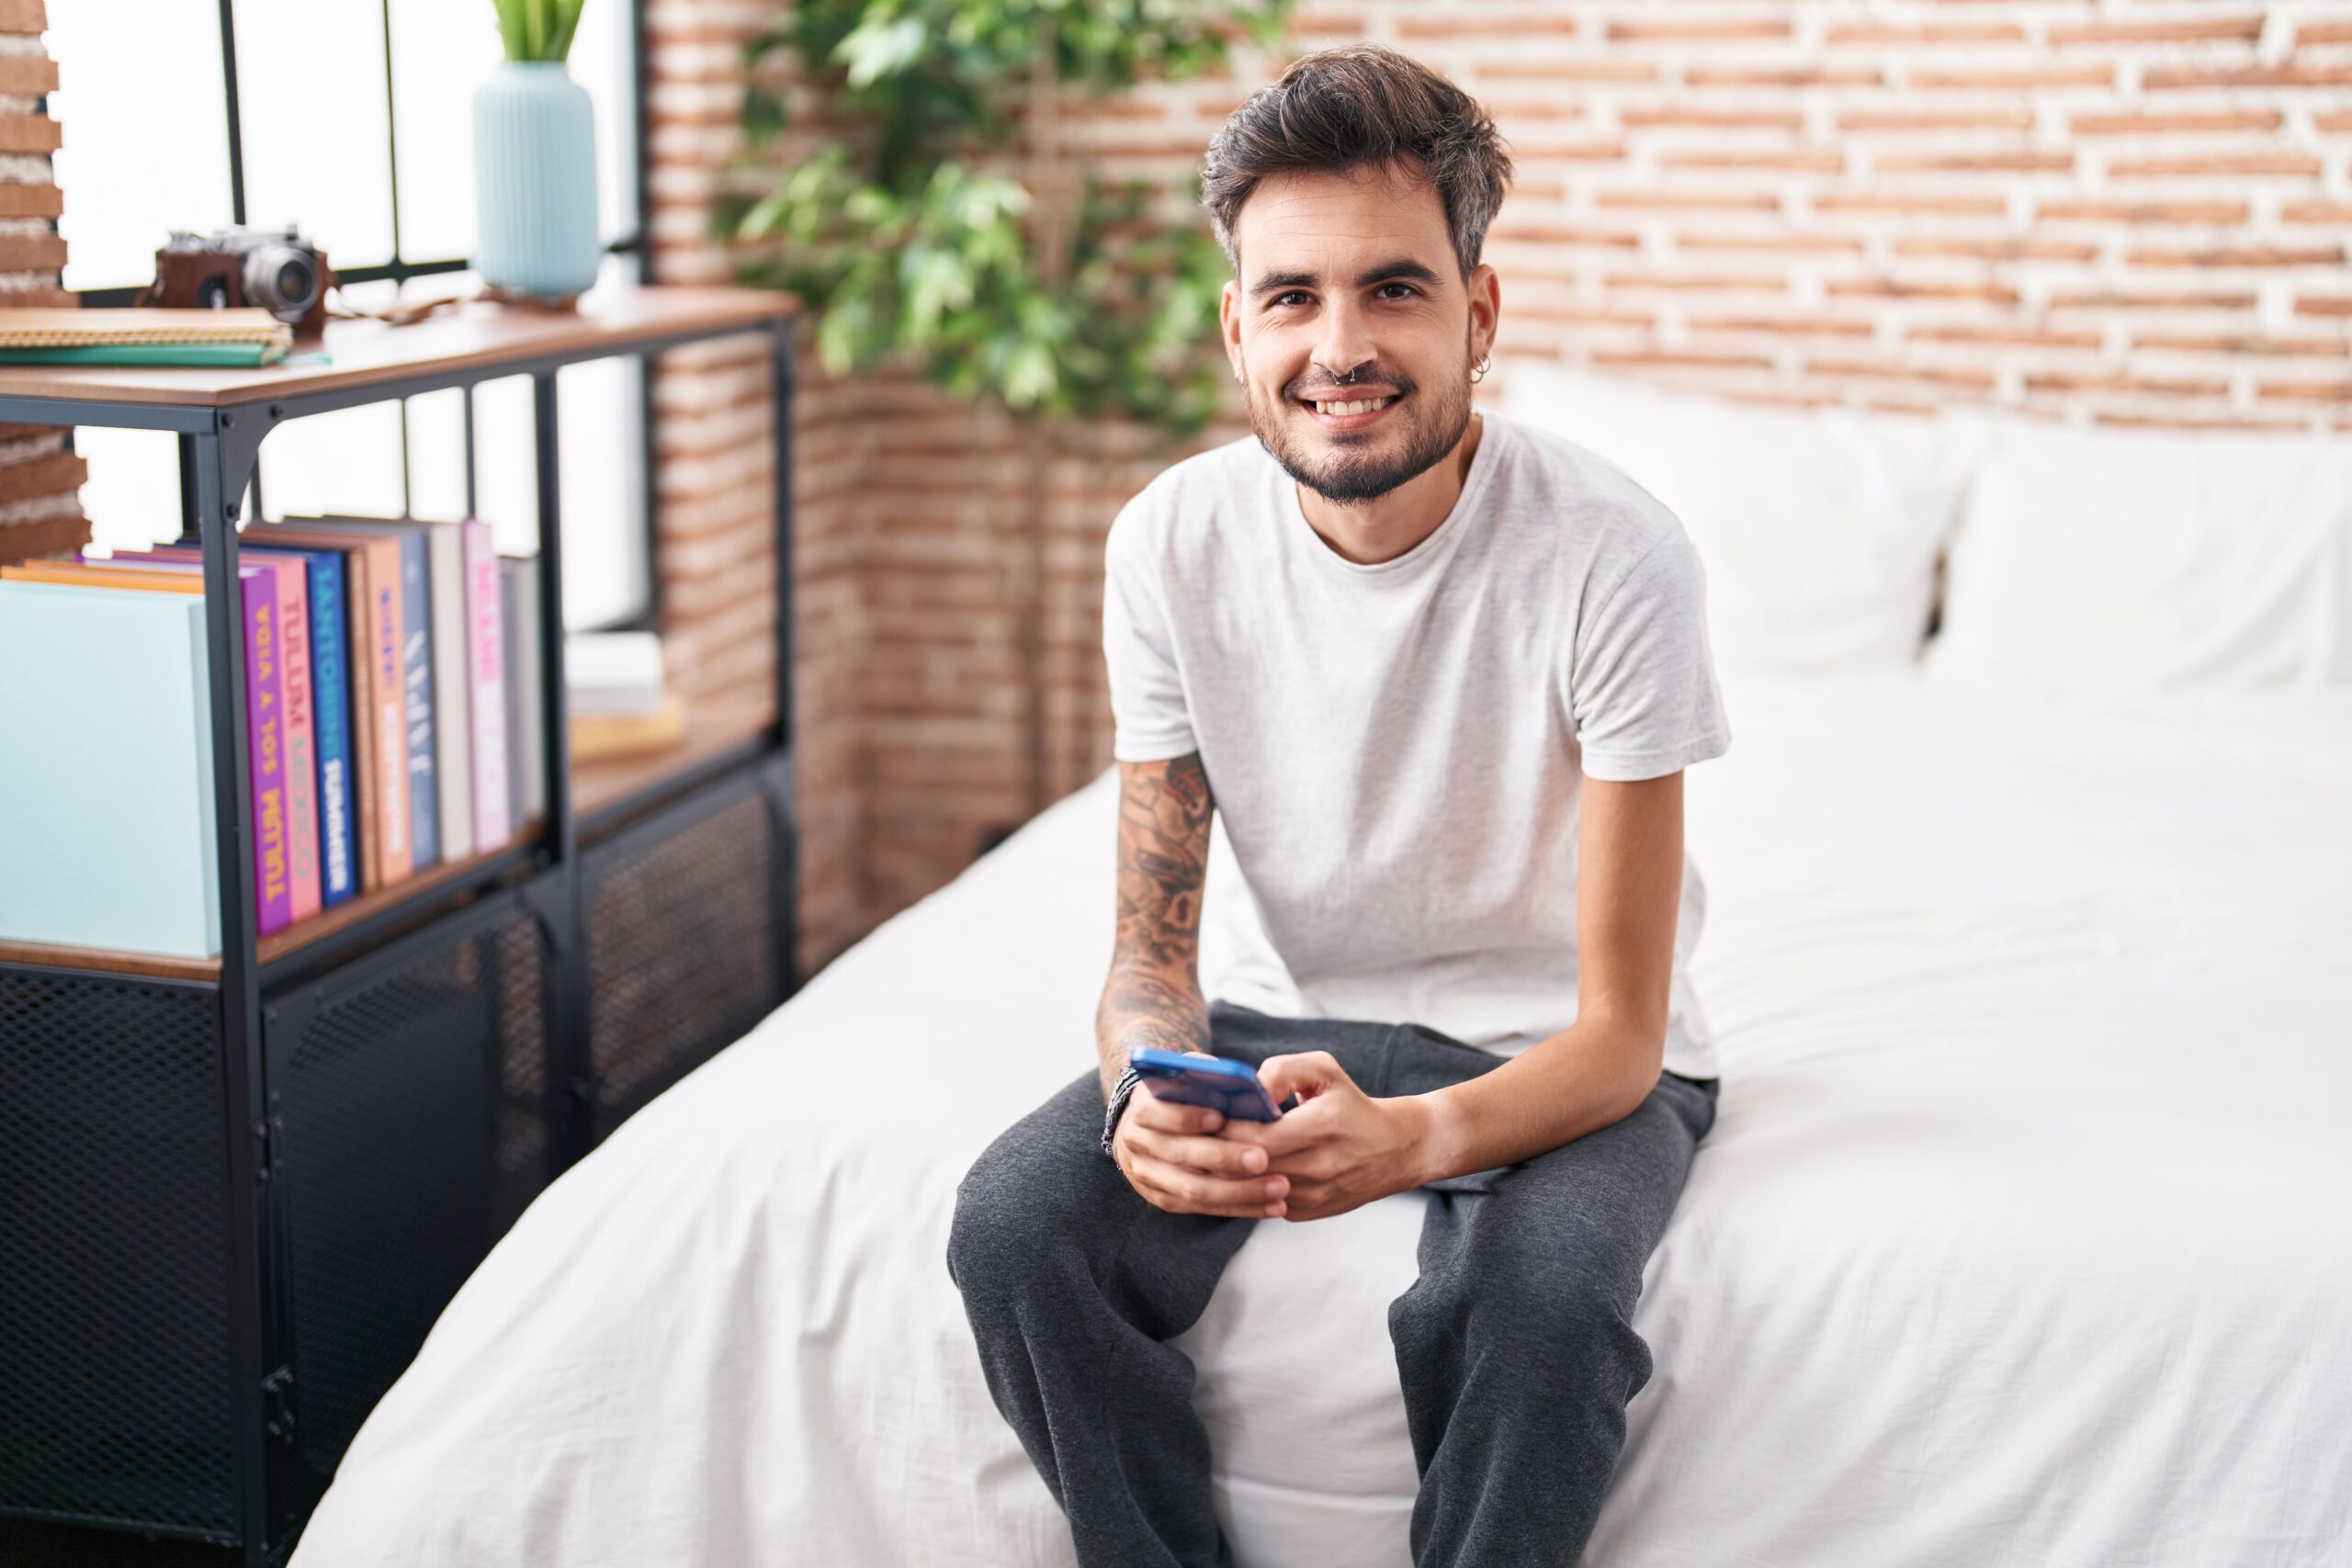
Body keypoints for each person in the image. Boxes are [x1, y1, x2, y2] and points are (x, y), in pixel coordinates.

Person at [947, 41, 1732, 1568]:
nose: (1341, 347)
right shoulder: (1169, 542)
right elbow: (1148, 957)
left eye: (1395, 289)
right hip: (1275, 1017)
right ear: (1237, 326)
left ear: (1479, 315)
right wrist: (1141, 1085)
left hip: (1557, 1055)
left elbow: (1625, 1033)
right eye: (1294, 297)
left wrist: (1421, 1137)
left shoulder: (1616, 552)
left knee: (1544, 1309)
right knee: (1016, 1231)